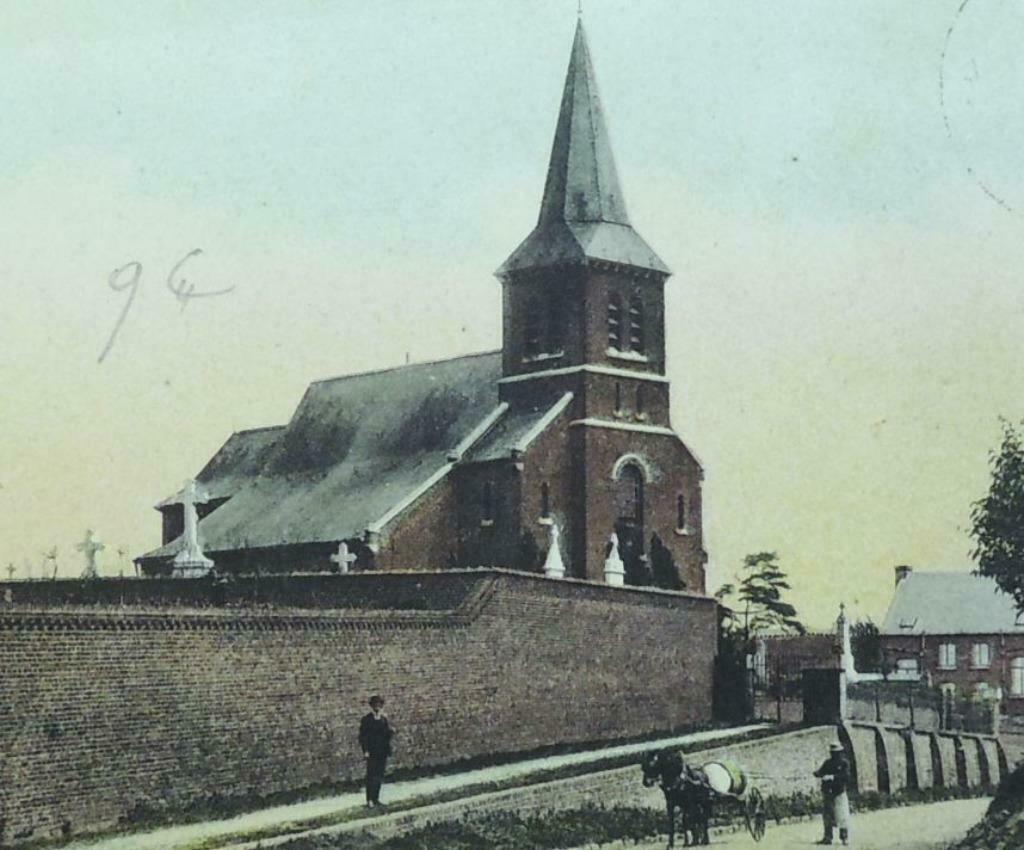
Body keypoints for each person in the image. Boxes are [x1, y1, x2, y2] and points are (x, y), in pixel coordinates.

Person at [358, 695, 394, 808]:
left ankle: (376, 798)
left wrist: (390, 732)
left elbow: (386, 736)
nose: (377, 707)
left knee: (379, 776)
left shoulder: (383, 719)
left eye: (379, 704)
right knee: (371, 776)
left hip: (382, 752)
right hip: (372, 752)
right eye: (375, 705)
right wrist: (366, 750)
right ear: (372, 706)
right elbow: (363, 737)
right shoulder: (367, 720)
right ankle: (369, 800)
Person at [814, 741, 851, 846]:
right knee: (827, 815)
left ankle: (844, 837)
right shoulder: (828, 763)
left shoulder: (844, 763)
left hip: (839, 792)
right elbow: (821, 772)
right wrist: (817, 773)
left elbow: (846, 776)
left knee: (842, 815)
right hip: (828, 792)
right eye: (832, 752)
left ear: (840, 752)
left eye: (836, 752)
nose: (834, 754)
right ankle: (828, 837)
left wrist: (833, 777)